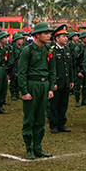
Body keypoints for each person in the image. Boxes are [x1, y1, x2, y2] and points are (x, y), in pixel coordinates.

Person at [17, 23, 56, 160]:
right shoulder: (28, 50)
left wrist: (51, 88)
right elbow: (21, 72)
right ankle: (29, 148)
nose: (48, 35)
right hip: (32, 84)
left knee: (40, 118)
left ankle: (38, 147)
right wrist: (24, 91)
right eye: (45, 33)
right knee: (29, 118)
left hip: (44, 85)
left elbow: (52, 70)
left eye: (49, 33)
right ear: (37, 35)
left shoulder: (49, 50)